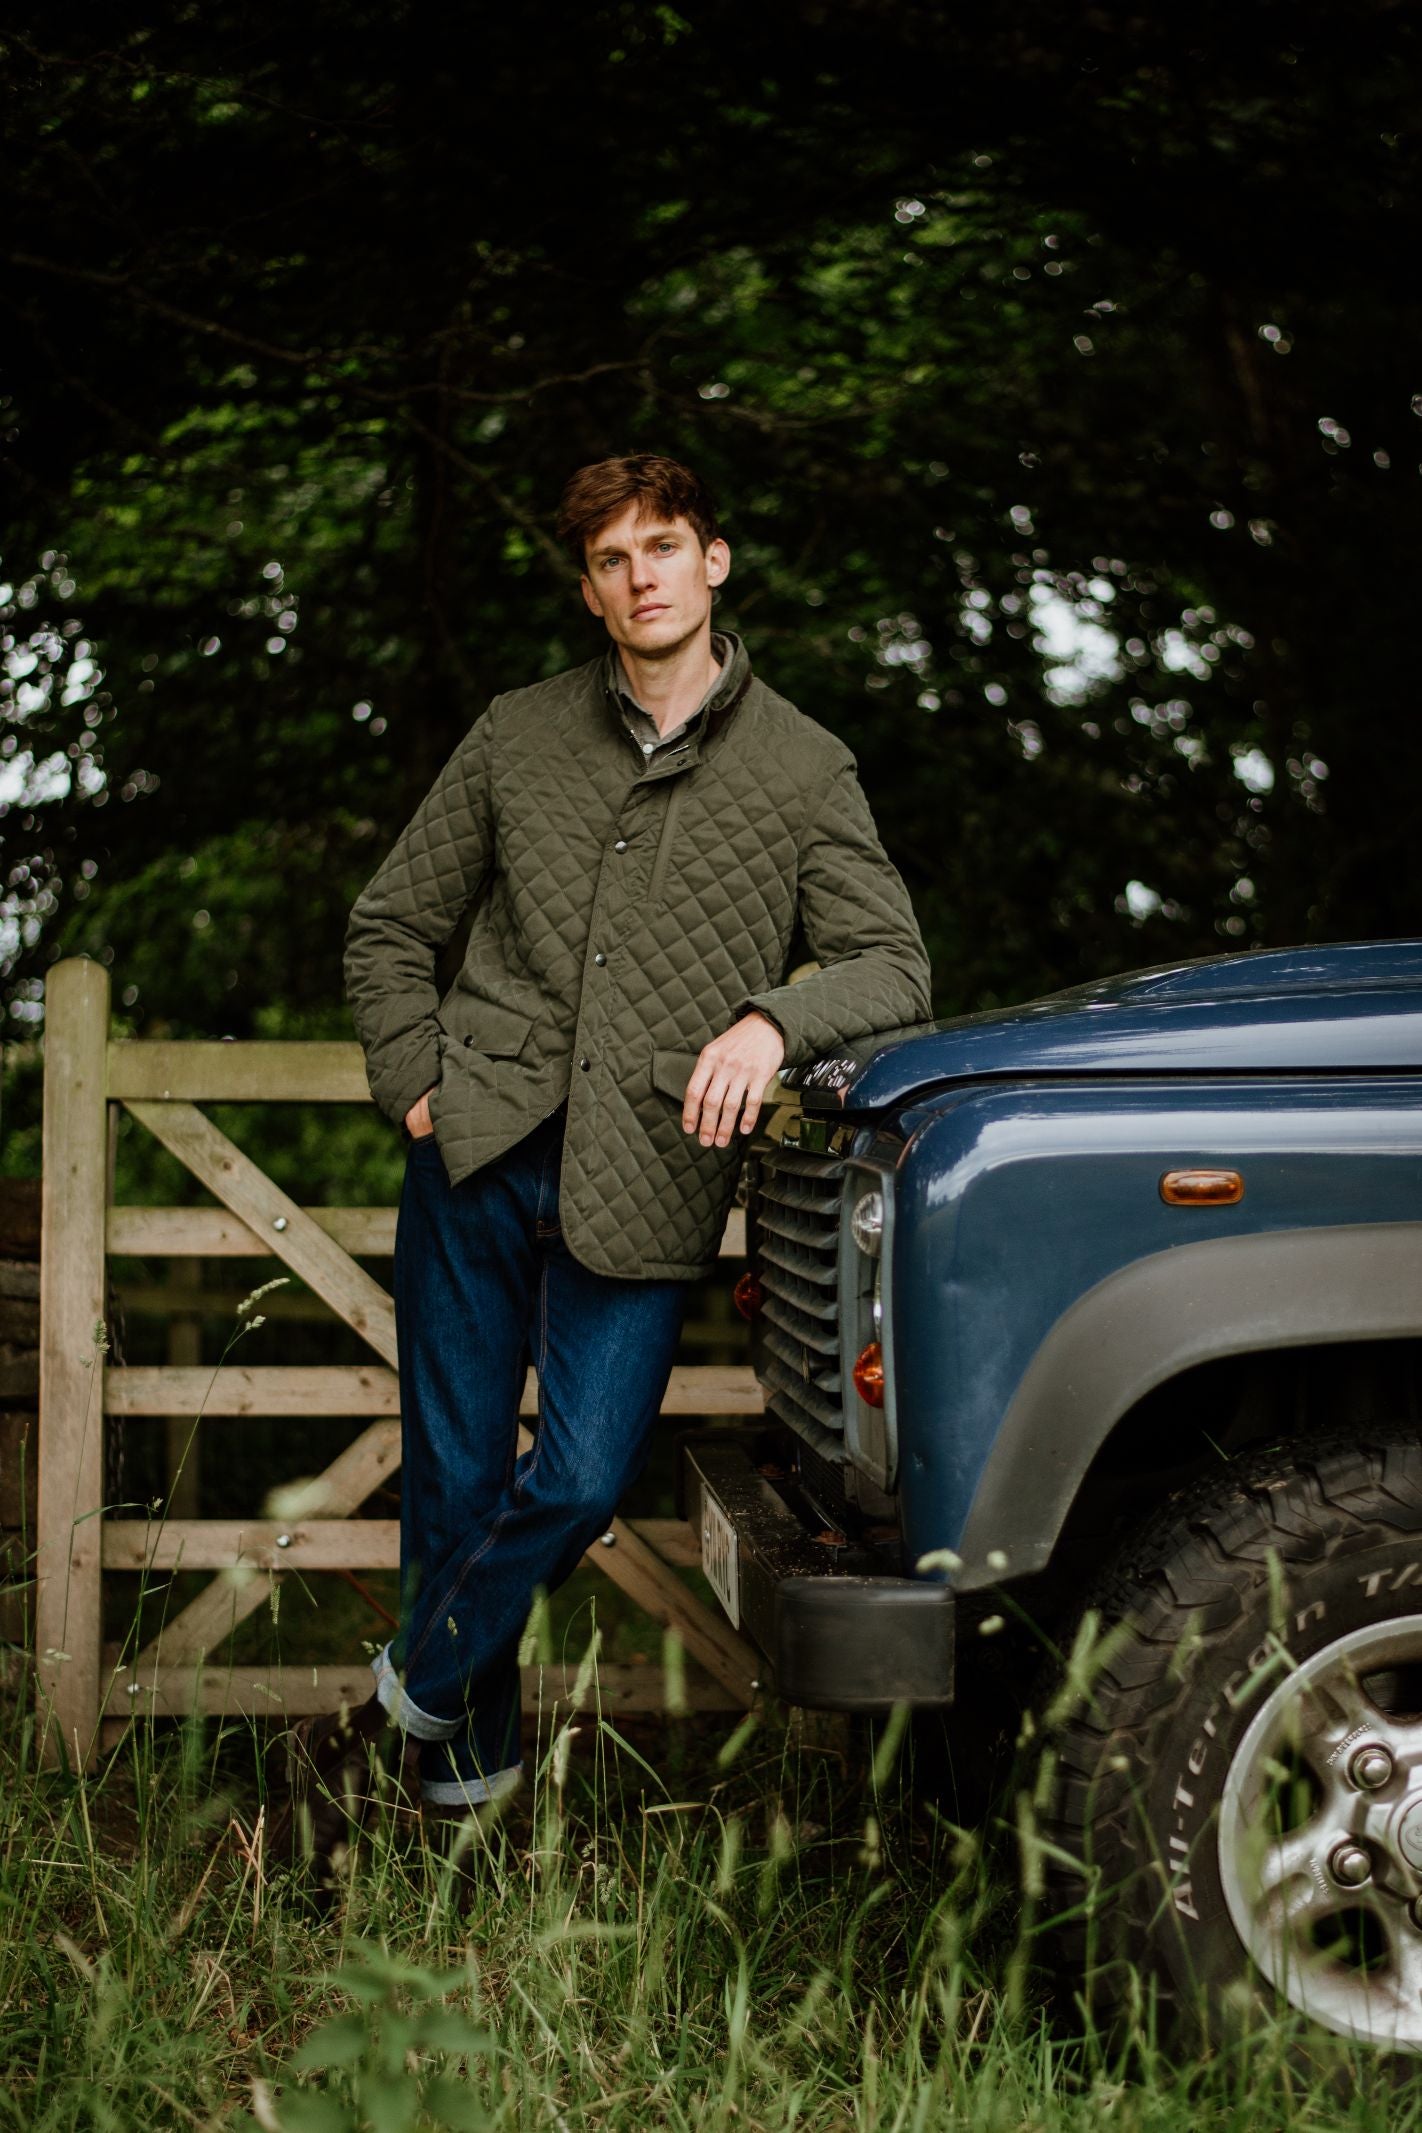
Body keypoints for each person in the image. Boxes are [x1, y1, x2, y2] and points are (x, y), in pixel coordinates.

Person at [273, 452, 932, 1883]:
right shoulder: (515, 735)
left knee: (573, 1480)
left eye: (664, 545)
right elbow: (389, 926)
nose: (640, 574)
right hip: (475, 1154)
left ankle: (392, 1702)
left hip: (649, 1170)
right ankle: (459, 1820)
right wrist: (416, 1086)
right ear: (588, 586)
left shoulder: (803, 766)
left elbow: (892, 963)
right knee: (451, 1482)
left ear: (715, 561)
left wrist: (771, 1018)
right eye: (612, 557)